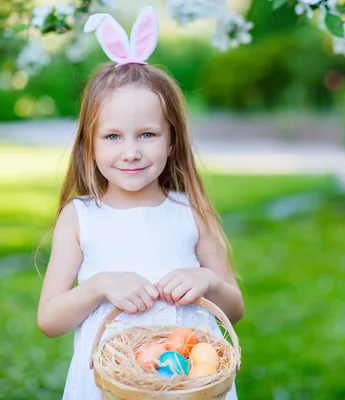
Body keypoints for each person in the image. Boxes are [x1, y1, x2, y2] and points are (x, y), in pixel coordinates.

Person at [36, 6, 243, 399]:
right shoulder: (80, 216)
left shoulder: (190, 212)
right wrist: (98, 286)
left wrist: (208, 280)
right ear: (89, 146)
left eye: (147, 134)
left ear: (171, 140)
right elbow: (49, 319)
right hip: (109, 385)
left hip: (191, 386)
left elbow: (234, 309)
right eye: (113, 137)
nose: (130, 152)